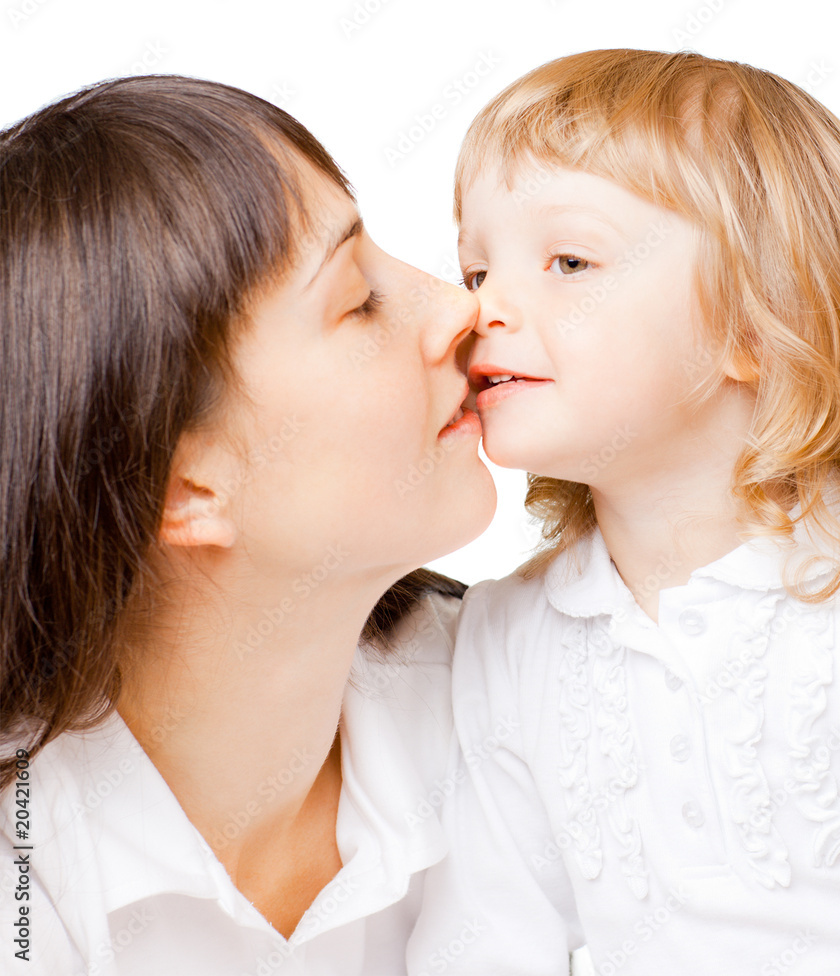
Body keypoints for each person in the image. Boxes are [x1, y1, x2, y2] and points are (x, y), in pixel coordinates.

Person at [407, 49, 840, 975]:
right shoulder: (505, 642)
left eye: (569, 259)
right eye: (477, 269)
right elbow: (483, 941)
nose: (482, 308)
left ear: (755, 326)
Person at [0, 74, 495, 975]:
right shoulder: (26, 874)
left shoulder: (519, 693)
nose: (460, 305)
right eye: (358, 301)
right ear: (183, 488)